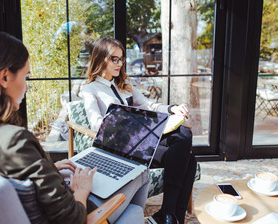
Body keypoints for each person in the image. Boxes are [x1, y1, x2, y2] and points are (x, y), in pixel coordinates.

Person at [0, 31, 149, 224]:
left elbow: (22, 176)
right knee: (141, 173)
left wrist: (49, 169)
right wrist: (81, 190)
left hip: (45, 207)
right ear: (5, 77)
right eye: (26, 77)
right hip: (75, 213)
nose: (27, 87)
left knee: (132, 211)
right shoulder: (14, 141)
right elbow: (73, 218)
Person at [81, 37, 197, 224]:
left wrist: (172, 108)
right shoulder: (90, 89)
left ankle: (168, 214)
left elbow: (147, 105)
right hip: (121, 147)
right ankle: (172, 216)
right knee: (189, 160)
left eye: (122, 59)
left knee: (184, 134)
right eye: (115, 59)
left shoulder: (124, 83)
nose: (120, 63)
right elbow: (95, 123)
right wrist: (123, 120)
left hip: (142, 140)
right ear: (102, 58)